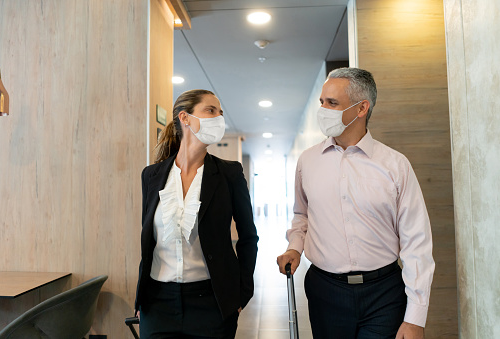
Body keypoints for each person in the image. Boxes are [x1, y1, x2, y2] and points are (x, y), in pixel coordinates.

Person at [276, 68, 435, 339]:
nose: (323, 109)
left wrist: (415, 318)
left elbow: (416, 241)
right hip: (325, 290)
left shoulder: (395, 165)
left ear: (362, 108)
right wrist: (295, 247)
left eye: (332, 103)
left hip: (384, 292)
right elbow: (302, 215)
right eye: (322, 102)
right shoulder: (308, 161)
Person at [135, 89, 258, 338]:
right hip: (158, 304)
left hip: (211, 304)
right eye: (211, 110)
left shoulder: (229, 174)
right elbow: (149, 241)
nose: (219, 118)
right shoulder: (151, 176)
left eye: (220, 113)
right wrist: (141, 299)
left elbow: (248, 238)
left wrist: (241, 294)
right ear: (185, 118)